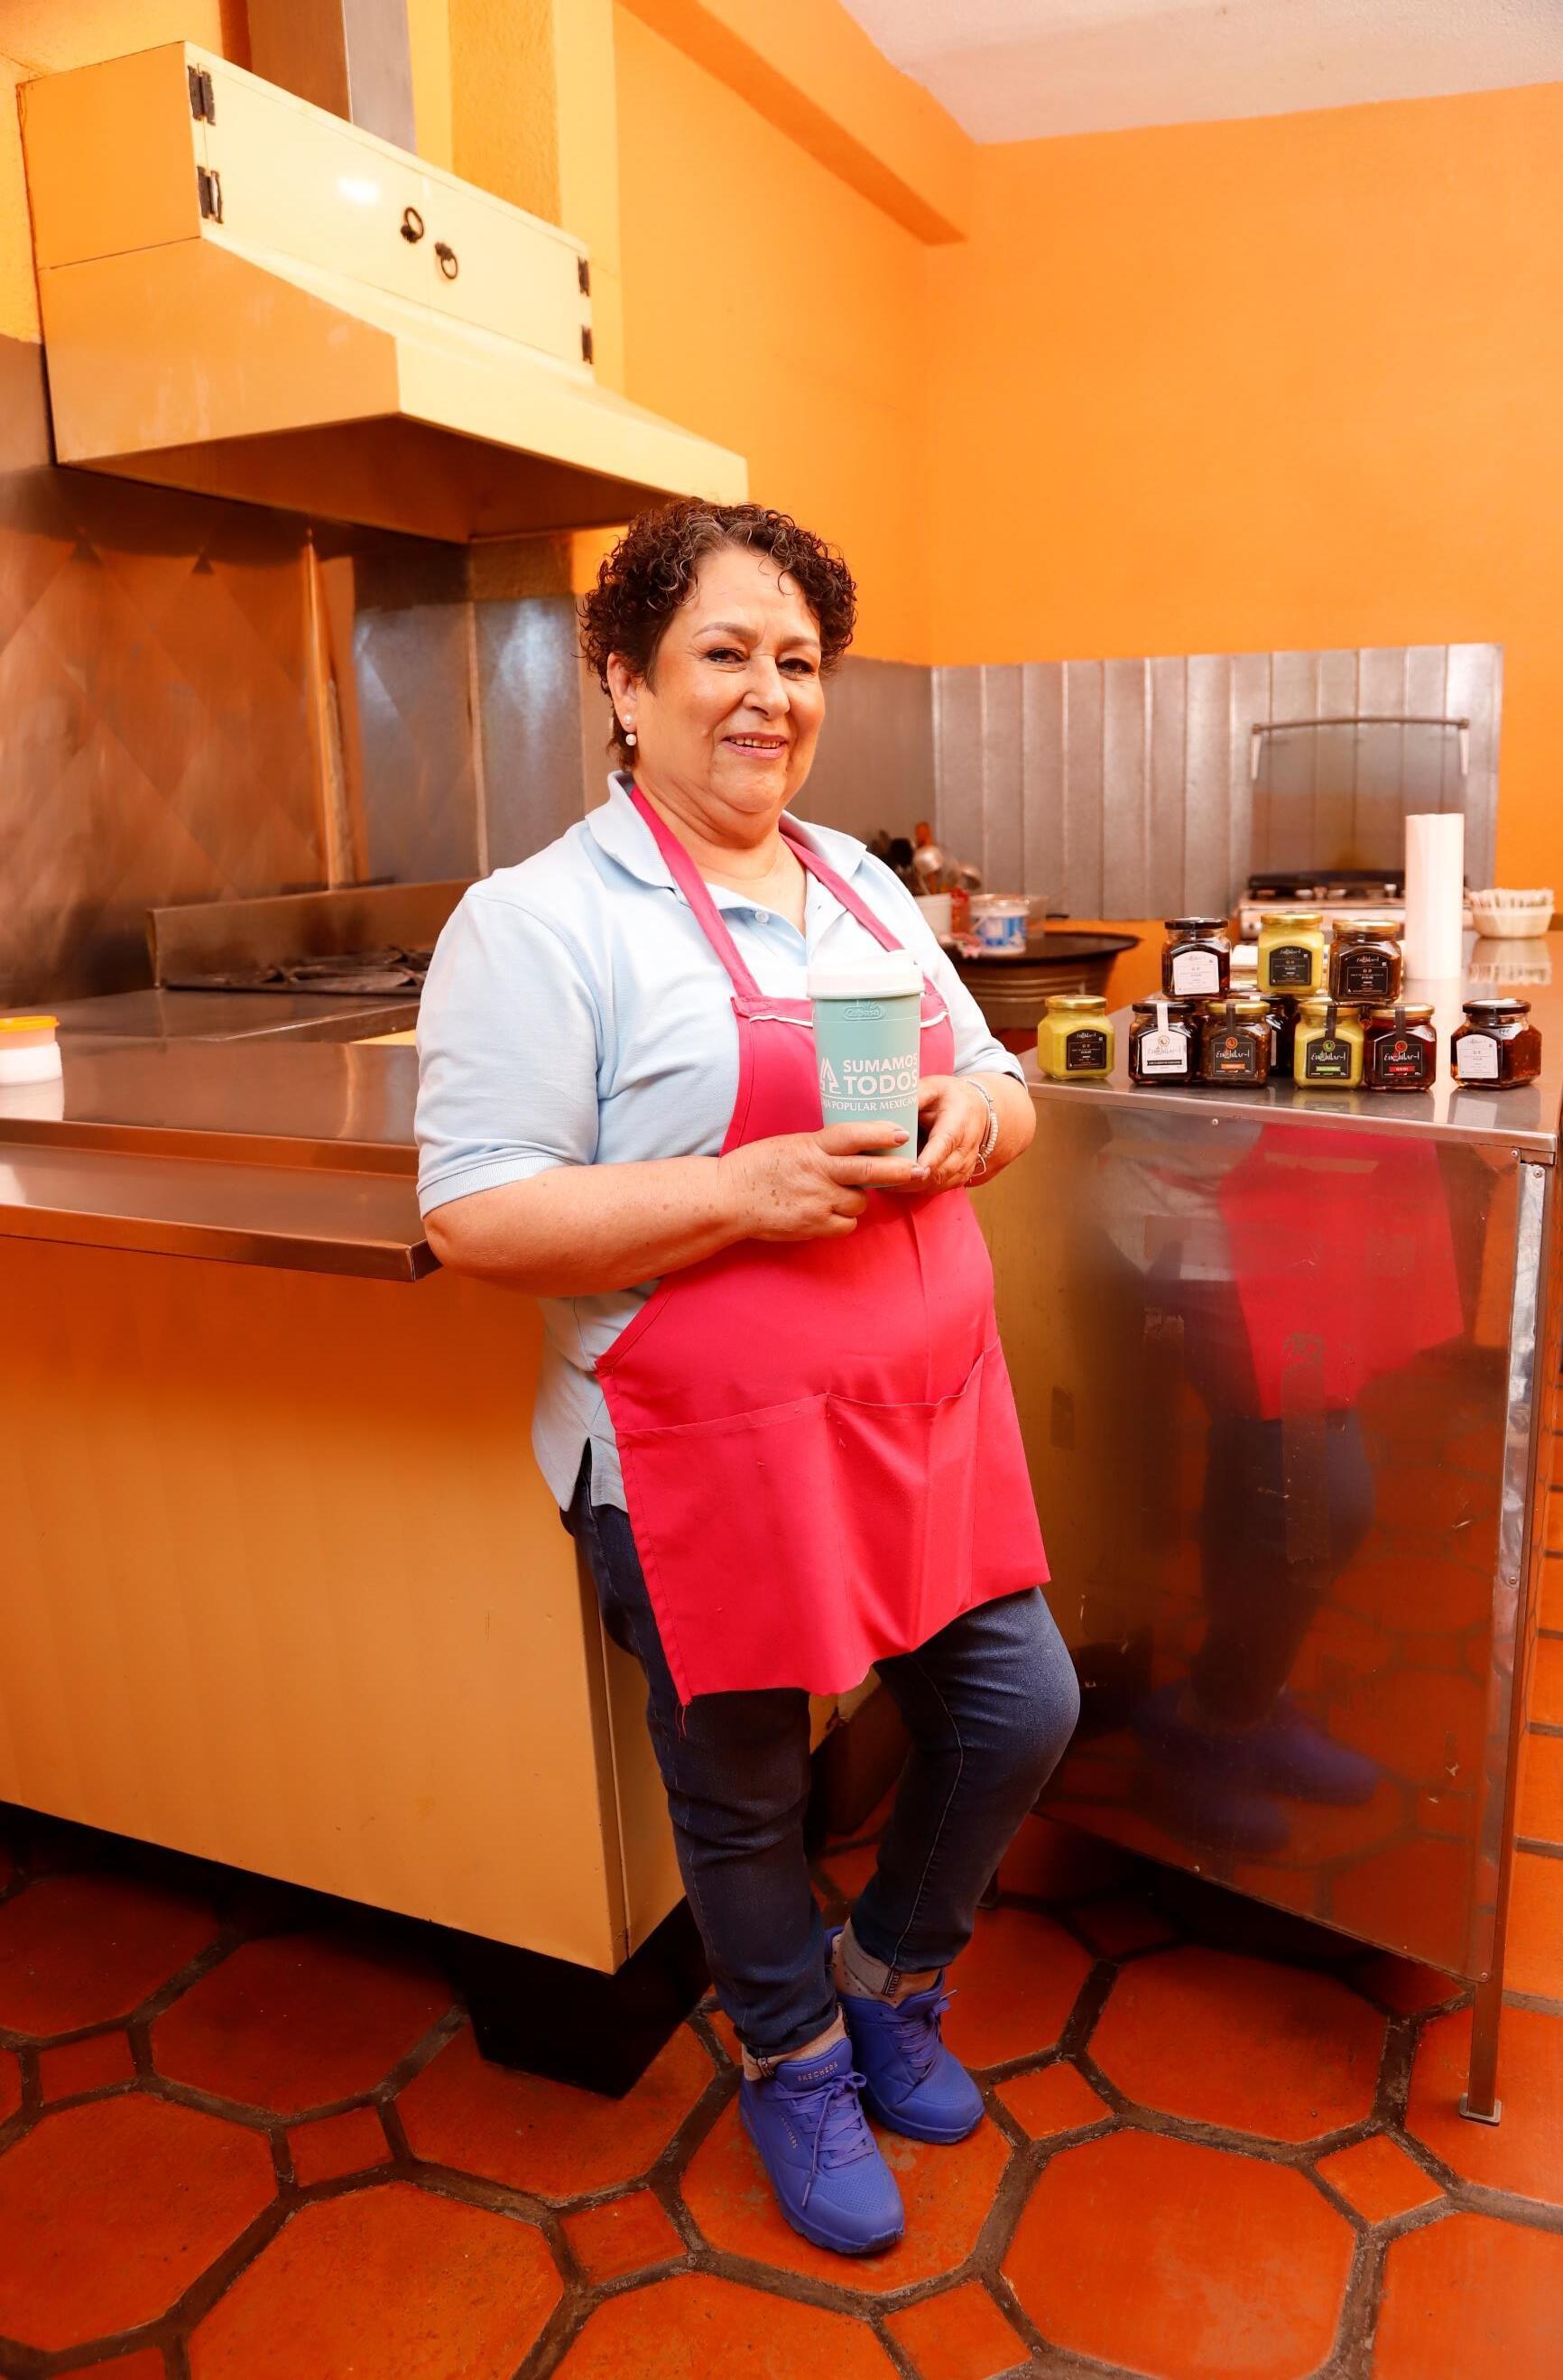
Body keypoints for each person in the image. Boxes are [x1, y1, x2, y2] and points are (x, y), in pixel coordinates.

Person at [415, 499, 1077, 2257]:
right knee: (748, 1786)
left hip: (918, 1421)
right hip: (693, 1451)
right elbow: (473, 1211)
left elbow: (999, 1072)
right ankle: (791, 2057)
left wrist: (979, 1114)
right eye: (723, 651)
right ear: (625, 681)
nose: (769, 692)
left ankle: (890, 1977)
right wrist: (742, 1192)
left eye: (796, 659)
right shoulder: (539, 920)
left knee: (1016, 1708)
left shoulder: (859, 879)